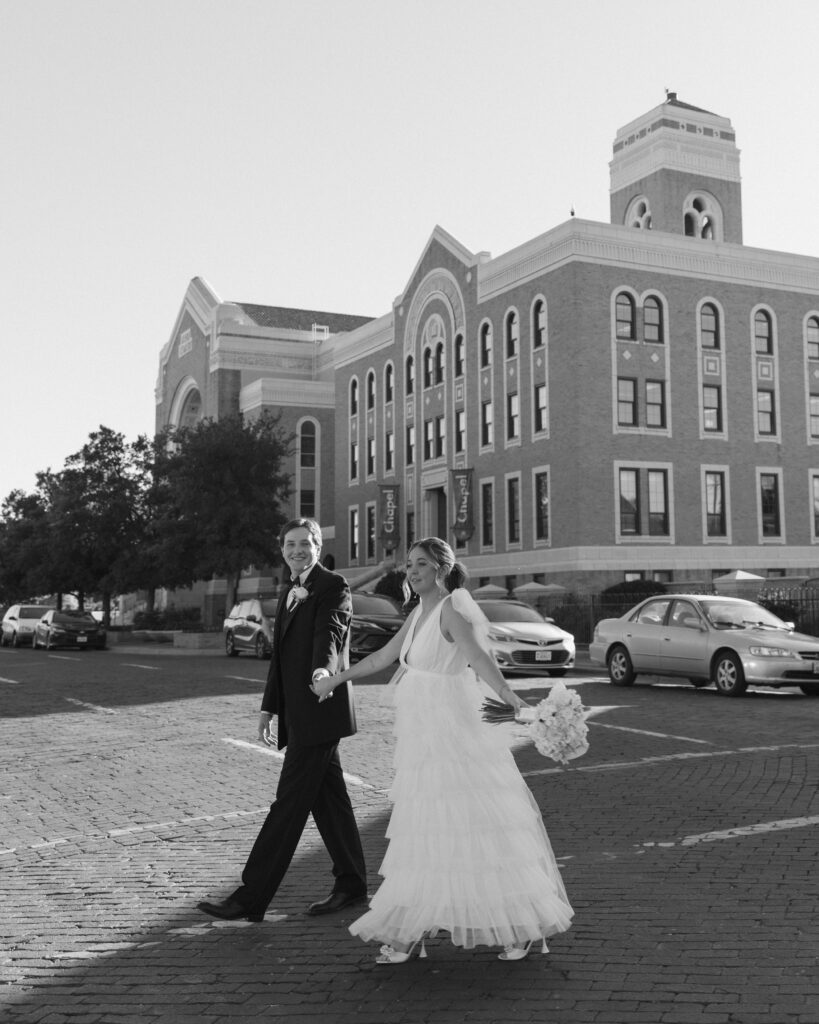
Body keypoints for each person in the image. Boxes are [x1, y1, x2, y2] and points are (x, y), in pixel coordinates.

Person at [311, 537, 574, 964]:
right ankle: (409, 929)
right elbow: (381, 659)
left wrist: (513, 699)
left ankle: (520, 926)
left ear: (440, 569)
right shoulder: (419, 612)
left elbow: (479, 660)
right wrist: (333, 681)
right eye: (409, 565)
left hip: (453, 733)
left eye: (420, 564)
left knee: (472, 823)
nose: (411, 572)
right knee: (424, 826)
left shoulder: (453, 608)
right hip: (423, 735)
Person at [197, 518, 367, 922]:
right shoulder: (289, 588)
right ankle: (352, 884)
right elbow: (280, 658)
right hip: (299, 712)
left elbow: (329, 634)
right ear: (282, 549)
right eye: (290, 544)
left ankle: (250, 897)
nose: (297, 550)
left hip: (320, 709)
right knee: (330, 803)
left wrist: (322, 673)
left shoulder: (333, 586)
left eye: (304, 543)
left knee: (288, 805)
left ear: (318, 544)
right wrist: (268, 707)